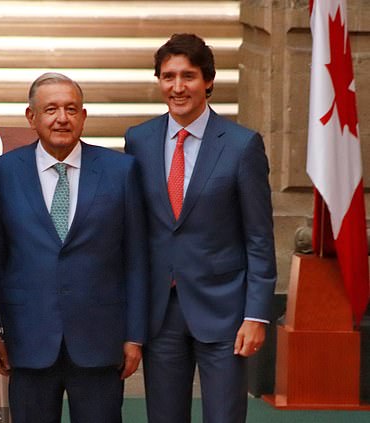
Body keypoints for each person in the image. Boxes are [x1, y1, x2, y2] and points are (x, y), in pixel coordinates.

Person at [125, 34, 276, 423]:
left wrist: (256, 315)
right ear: (159, 81)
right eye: (168, 76)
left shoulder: (242, 146)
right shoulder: (138, 140)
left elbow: (259, 237)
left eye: (188, 76)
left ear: (208, 81)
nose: (178, 87)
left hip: (225, 311)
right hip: (161, 311)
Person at [0, 73, 148, 423]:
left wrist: (135, 336)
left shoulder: (120, 171)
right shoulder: (2, 173)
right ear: (31, 117)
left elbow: (136, 258)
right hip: (27, 340)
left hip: (99, 342)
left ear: (84, 116)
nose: (62, 118)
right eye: (51, 109)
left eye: (71, 109)